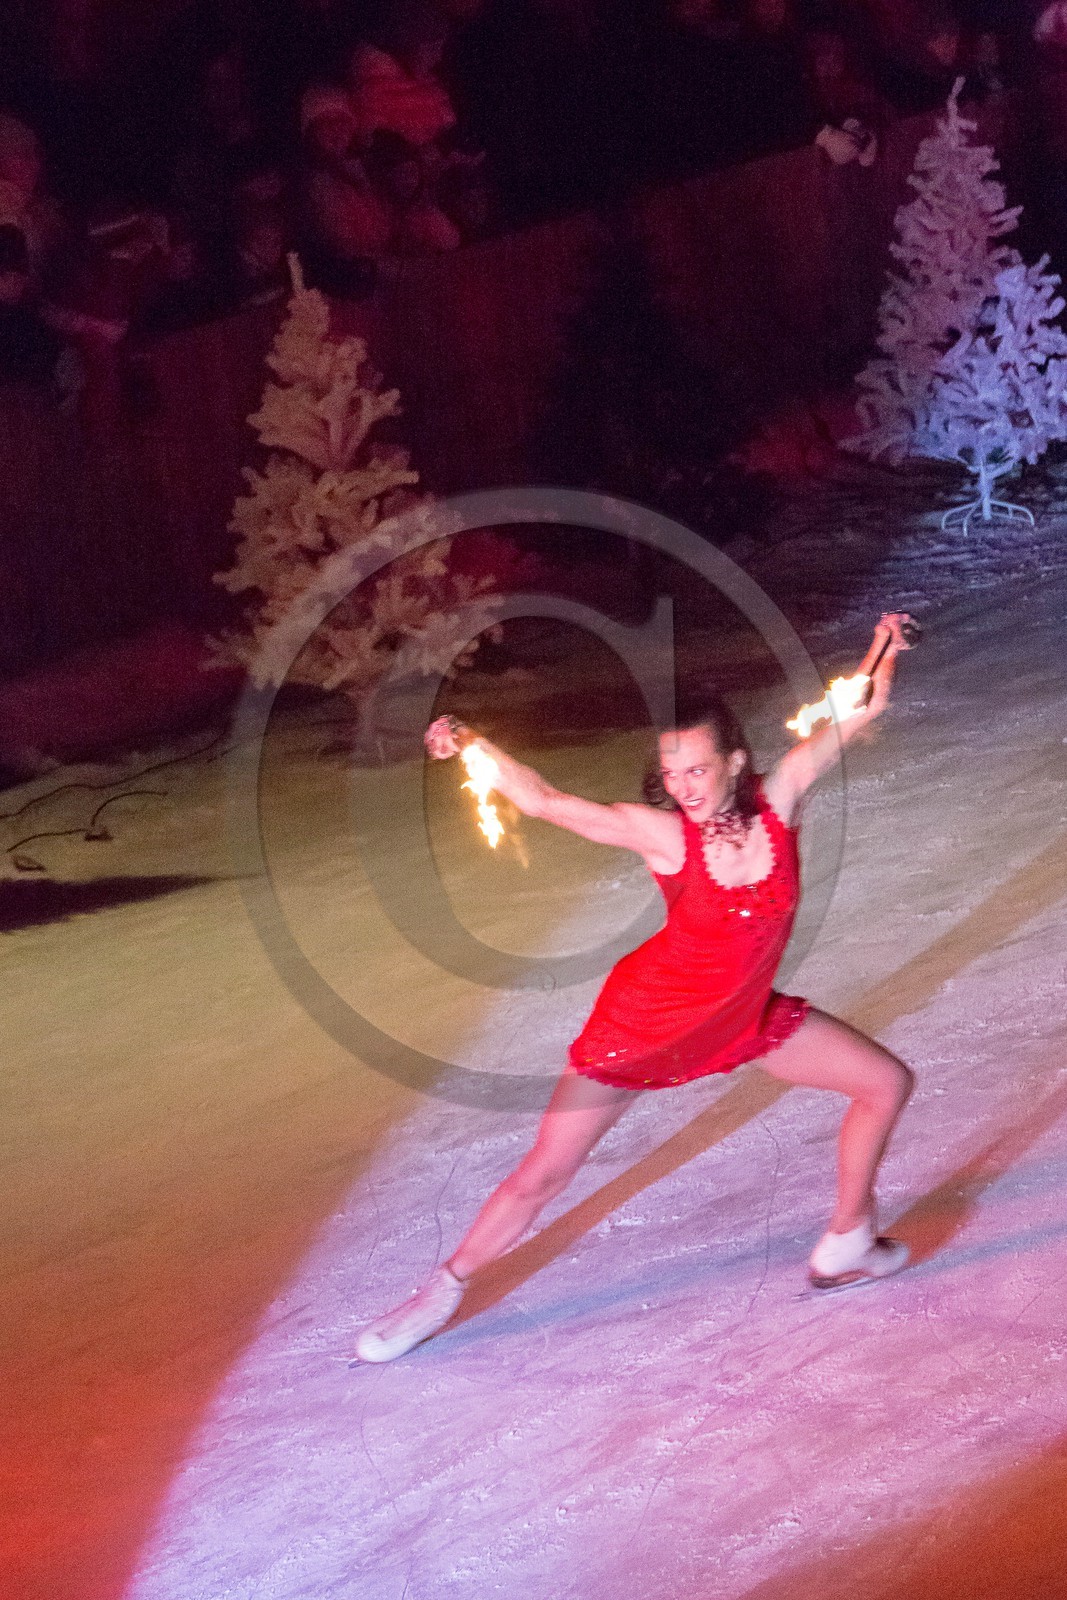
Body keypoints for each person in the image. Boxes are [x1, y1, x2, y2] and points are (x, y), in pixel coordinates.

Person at [355, 614, 918, 1363]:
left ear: (734, 761)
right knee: (543, 1174)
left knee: (883, 1083)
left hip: (741, 1019)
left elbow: (859, 709)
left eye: (697, 769)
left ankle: (847, 1238)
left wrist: (883, 649)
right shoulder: (664, 836)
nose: (682, 786)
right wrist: (468, 738)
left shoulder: (780, 800)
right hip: (643, 1024)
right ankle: (440, 1291)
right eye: (672, 771)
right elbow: (547, 804)